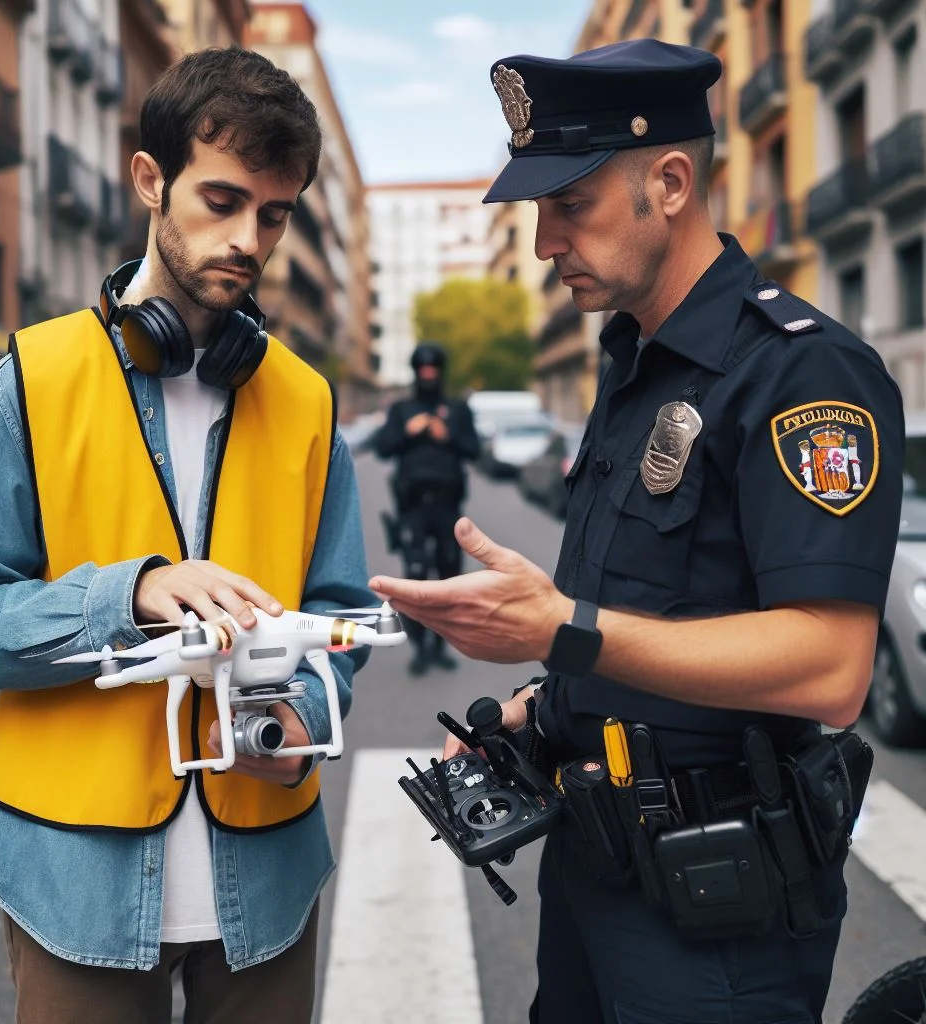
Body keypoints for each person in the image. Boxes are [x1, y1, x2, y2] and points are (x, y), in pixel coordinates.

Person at [370, 39, 904, 1024]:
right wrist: (548, 700)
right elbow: (652, 603)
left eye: (567, 205)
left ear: (667, 182)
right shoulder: (633, 363)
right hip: (593, 863)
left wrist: (562, 630)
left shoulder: (801, 374)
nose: (542, 243)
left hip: (716, 913)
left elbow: (830, 666)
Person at [0, 47, 374, 1024]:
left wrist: (302, 705)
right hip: (71, 882)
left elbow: (338, 609)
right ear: (149, 181)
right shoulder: (27, 383)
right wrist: (127, 595)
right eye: (220, 201)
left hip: (267, 886)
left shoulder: (305, 400)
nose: (247, 238)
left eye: (274, 213)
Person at [374, 342, 480, 675]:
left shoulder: (457, 409)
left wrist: (446, 435)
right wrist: (407, 432)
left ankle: (438, 647)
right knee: (417, 579)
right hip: (413, 508)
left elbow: (474, 449)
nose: (428, 376)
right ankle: (419, 648)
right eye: (423, 371)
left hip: (448, 507)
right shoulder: (402, 409)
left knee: (449, 580)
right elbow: (383, 447)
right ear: (416, 373)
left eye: (433, 371)